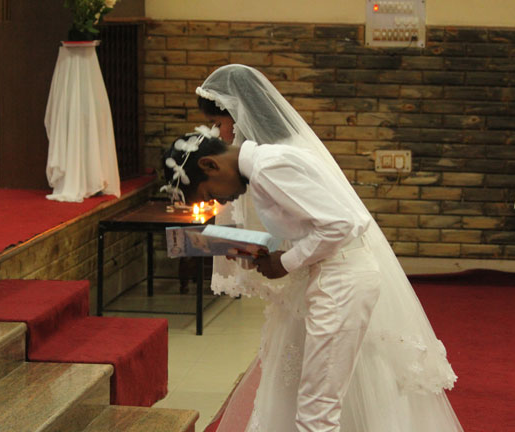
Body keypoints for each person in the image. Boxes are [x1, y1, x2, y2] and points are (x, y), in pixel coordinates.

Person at [166, 64, 463, 431]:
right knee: (312, 399)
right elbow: (307, 225)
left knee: (317, 412)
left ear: (211, 163)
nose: (221, 199)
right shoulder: (265, 163)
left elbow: (341, 224)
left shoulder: (269, 166)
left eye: (212, 192)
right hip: (327, 275)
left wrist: (285, 261)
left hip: (339, 279)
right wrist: (250, 249)